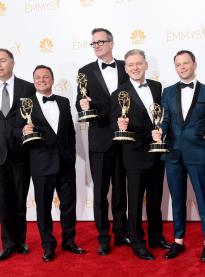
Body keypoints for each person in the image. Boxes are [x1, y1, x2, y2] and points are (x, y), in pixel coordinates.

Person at [15, 65, 85, 262]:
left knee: (69, 206)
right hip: (41, 164)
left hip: (65, 164)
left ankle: (69, 242)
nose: (42, 80)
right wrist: (23, 131)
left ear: (52, 80)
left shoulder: (63, 102)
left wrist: (70, 156)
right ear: (34, 81)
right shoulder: (25, 103)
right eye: (38, 77)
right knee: (43, 208)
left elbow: (70, 131)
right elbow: (16, 129)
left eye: (46, 77)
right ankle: (48, 246)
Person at [152, 50, 205, 260]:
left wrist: (201, 139)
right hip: (172, 153)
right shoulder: (168, 92)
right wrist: (159, 131)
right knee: (177, 198)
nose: (182, 67)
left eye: (185, 63)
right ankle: (178, 240)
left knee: (204, 198)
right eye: (178, 64)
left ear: (194, 64)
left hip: (197, 153)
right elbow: (165, 119)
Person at [111, 49, 171, 260]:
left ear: (146, 65)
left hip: (156, 151)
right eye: (130, 65)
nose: (135, 67)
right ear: (125, 68)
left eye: (139, 63)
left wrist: (160, 133)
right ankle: (137, 241)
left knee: (156, 200)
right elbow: (113, 124)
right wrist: (119, 124)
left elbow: (160, 116)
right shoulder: (119, 93)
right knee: (135, 201)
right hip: (134, 154)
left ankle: (156, 236)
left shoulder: (156, 87)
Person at [75, 28, 129, 255]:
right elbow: (81, 102)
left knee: (120, 190)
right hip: (99, 140)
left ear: (112, 43)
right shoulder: (84, 71)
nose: (96, 45)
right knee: (100, 193)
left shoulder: (127, 67)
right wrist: (82, 105)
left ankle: (121, 232)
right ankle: (103, 237)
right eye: (93, 43)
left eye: (100, 41)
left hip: (124, 138)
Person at [0, 49, 35, 260]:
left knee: (20, 200)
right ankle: (7, 243)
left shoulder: (27, 87)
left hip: (22, 154)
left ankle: (21, 241)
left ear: (12, 63)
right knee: (3, 202)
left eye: (2, 60)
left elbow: (33, 118)